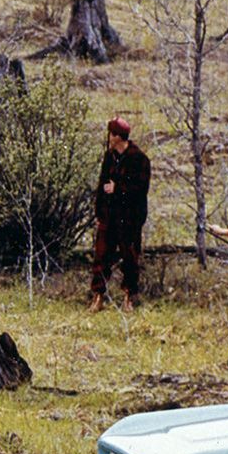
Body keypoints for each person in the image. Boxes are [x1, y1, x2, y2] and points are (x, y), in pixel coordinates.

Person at [87, 117, 148, 310]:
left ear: (117, 136)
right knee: (101, 256)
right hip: (109, 216)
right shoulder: (109, 156)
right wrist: (99, 211)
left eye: (111, 134)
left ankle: (129, 297)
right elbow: (101, 185)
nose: (109, 138)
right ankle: (98, 296)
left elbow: (141, 188)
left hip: (129, 218)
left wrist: (119, 188)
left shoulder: (139, 158)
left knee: (130, 258)